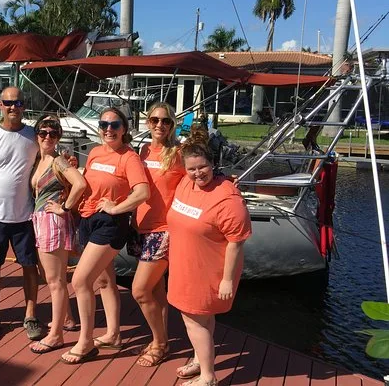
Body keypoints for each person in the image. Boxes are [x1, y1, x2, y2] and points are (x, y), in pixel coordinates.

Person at [61, 107, 150, 364]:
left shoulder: (129, 158)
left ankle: (85, 342)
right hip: (88, 219)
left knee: (80, 280)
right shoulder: (95, 152)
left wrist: (116, 208)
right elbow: (90, 184)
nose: (108, 129)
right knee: (104, 280)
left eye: (115, 125)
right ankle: (113, 334)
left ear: (124, 129)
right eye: (104, 124)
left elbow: (142, 192)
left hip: (110, 223)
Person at [167, 128, 252, 386]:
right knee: (203, 319)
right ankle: (199, 359)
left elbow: (236, 243)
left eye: (202, 167)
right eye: (191, 169)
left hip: (208, 272)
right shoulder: (185, 183)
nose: (197, 173)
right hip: (184, 266)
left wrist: (227, 280)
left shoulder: (228, 199)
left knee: (193, 319)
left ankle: (208, 377)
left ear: (213, 163)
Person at [0, 86, 44, 342]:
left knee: (30, 267)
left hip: (25, 216)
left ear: (24, 106)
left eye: (19, 103)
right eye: (9, 103)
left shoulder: (34, 136)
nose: (14, 107)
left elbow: (47, 161)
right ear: (0, 105)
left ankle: (30, 315)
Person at [129, 102, 185, 367]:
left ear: (172, 125)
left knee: (140, 290)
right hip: (140, 227)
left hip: (163, 230)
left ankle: (160, 343)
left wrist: (224, 181)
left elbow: (201, 176)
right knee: (156, 290)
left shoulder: (179, 153)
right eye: (154, 120)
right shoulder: (142, 150)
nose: (159, 125)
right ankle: (160, 339)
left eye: (166, 121)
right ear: (147, 122)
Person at [29, 115, 87, 354]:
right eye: (43, 133)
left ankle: (56, 335)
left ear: (59, 136)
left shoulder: (58, 161)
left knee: (55, 281)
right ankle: (67, 319)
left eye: (53, 134)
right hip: (42, 221)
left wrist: (64, 207)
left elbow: (80, 183)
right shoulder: (39, 160)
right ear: (37, 135)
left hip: (52, 221)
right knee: (51, 276)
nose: (48, 137)